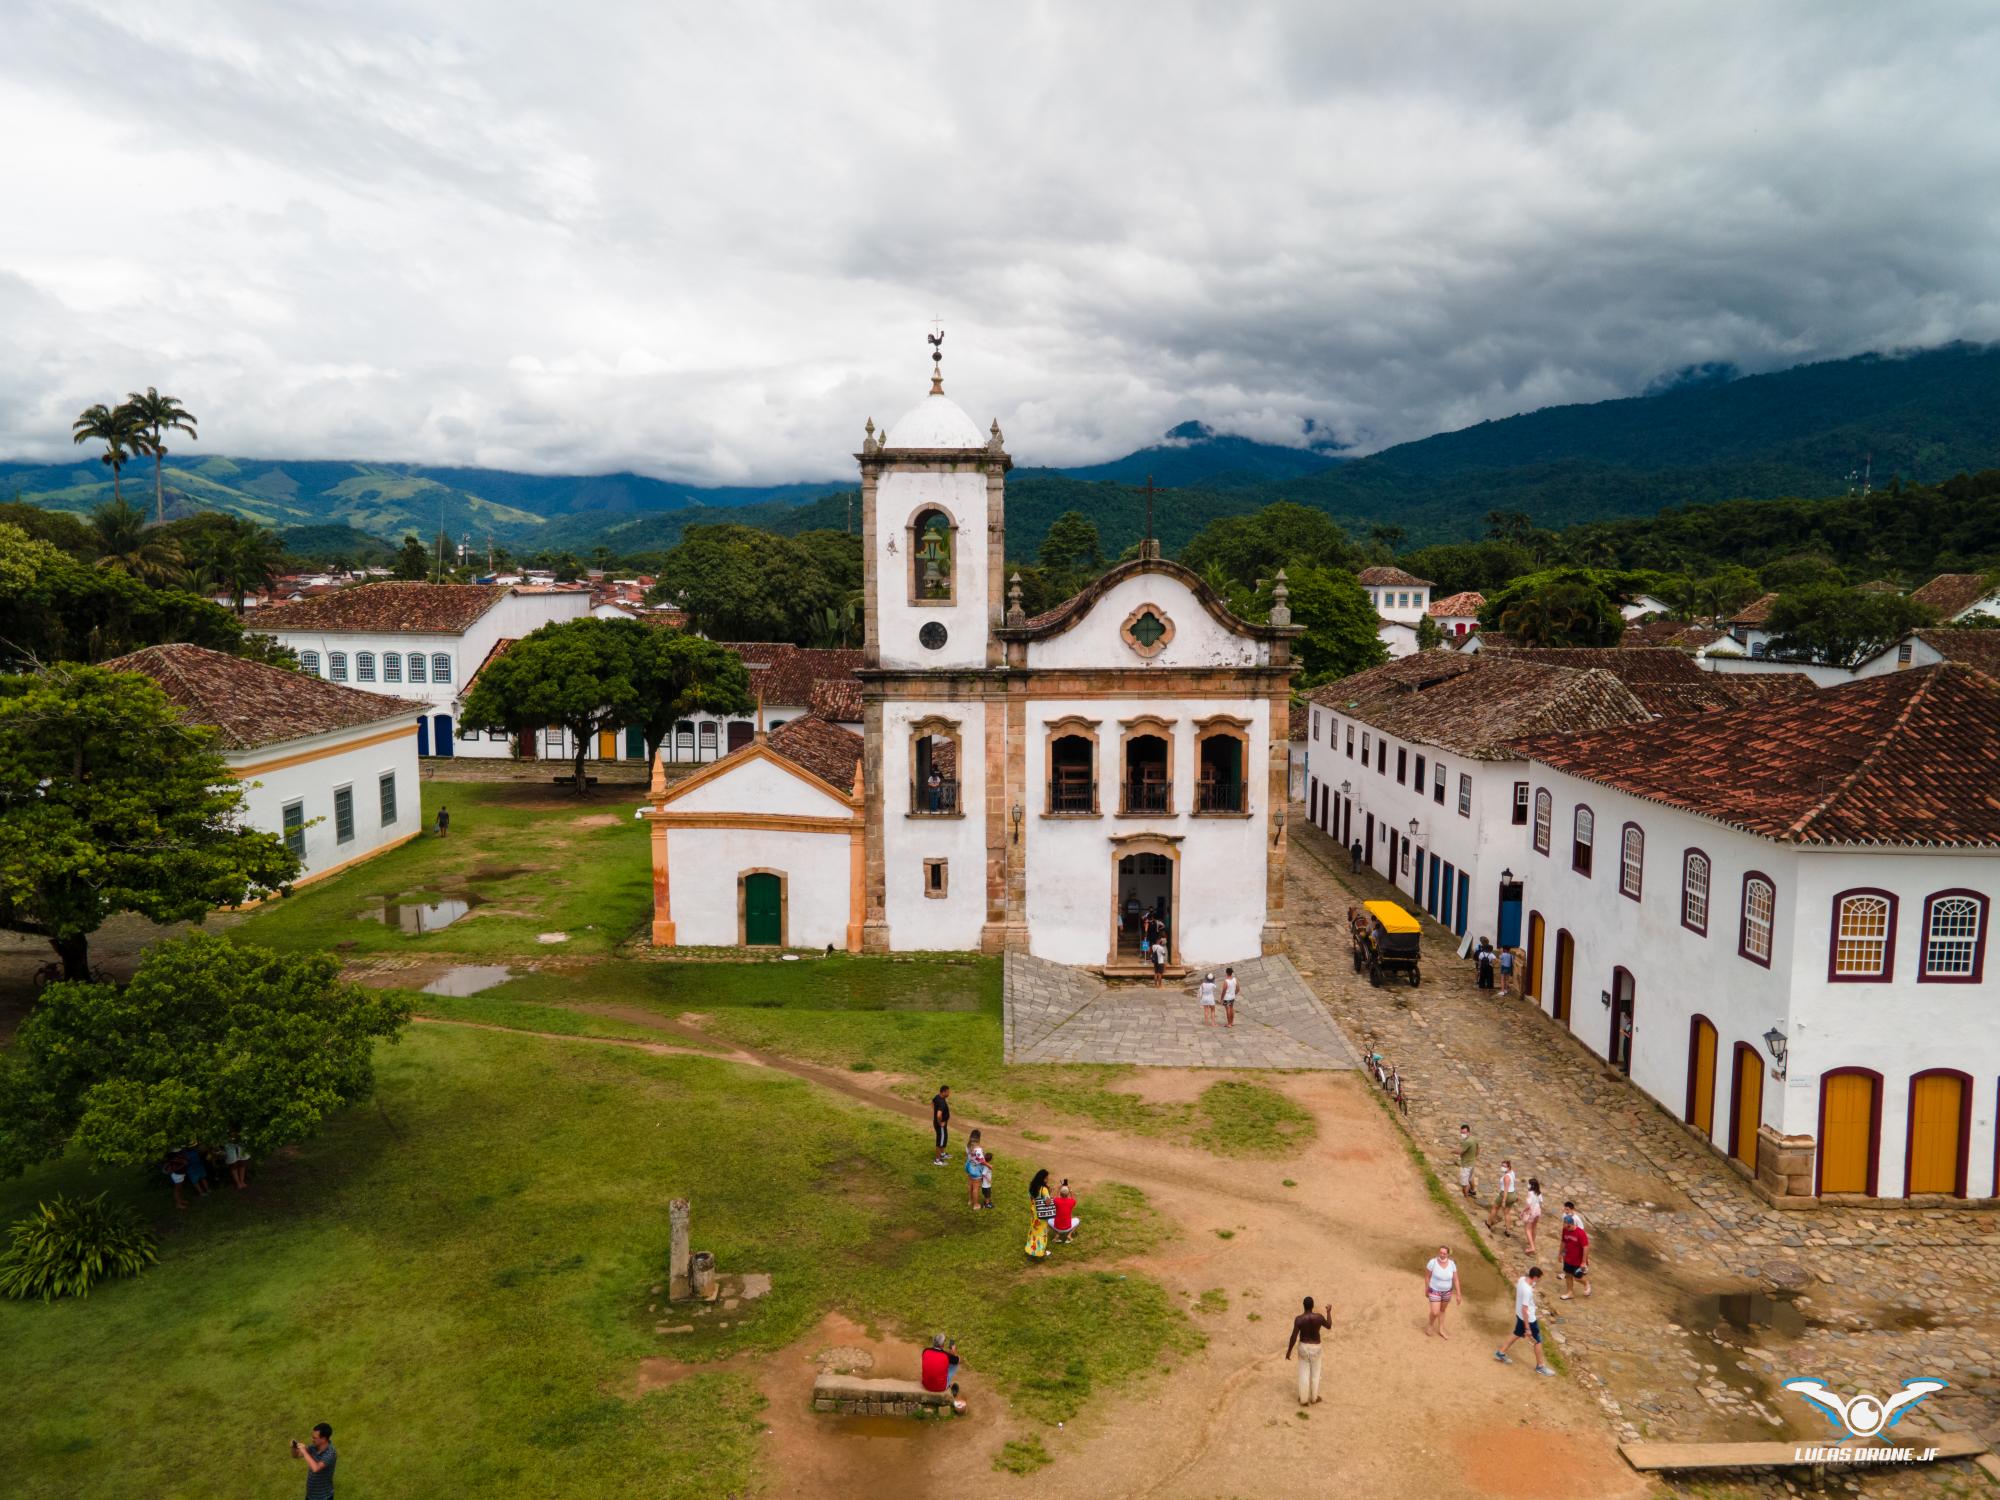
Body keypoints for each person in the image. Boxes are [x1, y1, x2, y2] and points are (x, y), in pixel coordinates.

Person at [1494, 1267, 1554, 1375]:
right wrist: (1528, 1328)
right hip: (1529, 1319)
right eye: (1539, 1279)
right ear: (1535, 1277)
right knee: (1537, 1341)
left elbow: (1528, 1287)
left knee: (1517, 1333)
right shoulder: (1528, 1291)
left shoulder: (1522, 1280)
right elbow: (1525, 1309)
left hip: (1520, 1316)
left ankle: (1500, 1352)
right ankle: (1540, 1366)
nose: (1539, 1281)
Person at [1285, 1295, 1332, 1405]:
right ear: (1313, 1306)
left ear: (1303, 1306)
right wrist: (1329, 1312)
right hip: (1316, 1347)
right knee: (1315, 1373)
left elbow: (1293, 1337)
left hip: (1303, 1347)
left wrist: (1288, 1352)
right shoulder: (1319, 1317)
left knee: (1303, 1374)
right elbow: (1329, 1325)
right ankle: (1314, 1398)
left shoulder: (1299, 1319)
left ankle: (1304, 1400)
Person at [1423, 1245, 1461, 1339]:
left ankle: (1441, 1328)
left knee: (1442, 1310)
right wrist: (1427, 1289)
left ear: (1448, 1254)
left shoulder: (1452, 1264)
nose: (1442, 1255)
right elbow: (1427, 1276)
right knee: (1435, 1312)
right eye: (1440, 1252)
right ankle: (1430, 1325)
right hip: (1434, 1290)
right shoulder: (1432, 1262)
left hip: (1447, 1292)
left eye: (1444, 1253)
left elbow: (1456, 1280)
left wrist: (1458, 1294)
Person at [291, 1421, 336, 1498]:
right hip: (311, 1495)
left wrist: (305, 1452)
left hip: (323, 1497)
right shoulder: (314, 1447)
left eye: (315, 1438)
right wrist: (293, 1448)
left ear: (324, 1439)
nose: (312, 1439)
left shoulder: (330, 1453)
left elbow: (316, 1468)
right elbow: (296, 1456)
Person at [1560, 1206, 1592, 1299]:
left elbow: (1586, 1247)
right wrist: (1560, 1253)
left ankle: (1586, 1283)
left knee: (1577, 1277)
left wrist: (1584, 1261)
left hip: (1578, 1260)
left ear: (1571, 1224)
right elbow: (1563, 1242)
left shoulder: (1580, 1233)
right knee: (1568, 1275)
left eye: (1567, 1227)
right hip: (1568, 1258)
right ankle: (1570, 1292)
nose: (1565, 1229)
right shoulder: (1565, 1230)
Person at [1025, 1169, 1054, 1260]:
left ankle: (1031, 1251)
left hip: (1034, 1213)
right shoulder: (1044, 1189)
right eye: (1047, 1178)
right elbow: (1048, 1202)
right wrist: (1050, 1193)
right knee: (1042, 1233)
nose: (1048, 1179)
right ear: (1043, 1179)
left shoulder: (1032, 1187)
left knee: (1034, 1232)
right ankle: (1041, 1251)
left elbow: (1031, 1198)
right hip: (1042, 1215)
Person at [1486, 1159, 1517, 1237]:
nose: (1502, 1167)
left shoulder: (1506, 1177)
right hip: (1513, 1194)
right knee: (1507, 1213)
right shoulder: (1512, 1173)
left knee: (1495, 1208)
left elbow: (1506, 1189)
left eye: (1504, 1166)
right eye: (1502, 1165)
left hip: (1505, 1195)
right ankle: (1508, 1230)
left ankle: (1488, 1223)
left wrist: (1503, 1200)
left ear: (1509, 1167)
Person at [1520, 1177, 1544, 1255]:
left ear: (1531, 1185)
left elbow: (1528, 1205)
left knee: (1527, 1229)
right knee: (1534, 1227)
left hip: (1532, 1211)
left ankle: (1532, 1247)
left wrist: (1523, 1212)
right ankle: (1532, 1244)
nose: (1528, 1185)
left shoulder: (1530, 1193)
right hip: (1538, 1211)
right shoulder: (1539, 1193)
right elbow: (1541, 1203)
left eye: (1529, 1183)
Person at [964, 1130, 986, 1209]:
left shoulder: (968, 1146)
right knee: (976, 1188)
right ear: (979, 1138)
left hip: (969, 1168)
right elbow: (982, 1161)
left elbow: (968, 1156)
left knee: (970, 1185)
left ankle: (970, 1201)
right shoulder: (978, 1149)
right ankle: (976, 1204)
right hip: (976, 1171)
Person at [930, 1085, 952, 1166]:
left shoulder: (937, 1097)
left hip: (939, 1124)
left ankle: (942, 1154)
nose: (949, 1093)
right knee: (940, 1141)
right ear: (944, 1092)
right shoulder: (942, 1103)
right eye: (948, 1092)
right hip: (940, 1125)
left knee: (944, 1138)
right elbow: (939, 1115)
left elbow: (932, 1103)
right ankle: (937, 1160)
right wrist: (940, 1123)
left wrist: (935, 1111)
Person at [1053, 1179, 1079, 1244]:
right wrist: (1070, 1190)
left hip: (1057, 1227)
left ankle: (1057, 1235)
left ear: (1060, 1194)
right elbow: (1074, 1199)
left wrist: (1059, 1189)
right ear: (1068, 1195)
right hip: (1068, 1227)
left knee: (1048, 1220)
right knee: (1078, 1220)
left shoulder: (1056, 1201)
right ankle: (1069, 1235)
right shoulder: (1071, 1201)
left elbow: (1055, 1197)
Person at [1457, 1124, 1479, 1200]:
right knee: (1470, 1179)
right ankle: (1473, 1191)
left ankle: (1465, 1197)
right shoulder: (1474, 1139)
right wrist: (1475, 1157)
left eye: (1464, 1133)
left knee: (1464, 1184)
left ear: (1468, 1132)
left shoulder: (1467, 1142)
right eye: (1461, 1133)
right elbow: (1478, 1148)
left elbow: (1460, 1151)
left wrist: (1452, 1151)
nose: (1463, 1134)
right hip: (1472, 1163)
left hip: (1466, 1165)